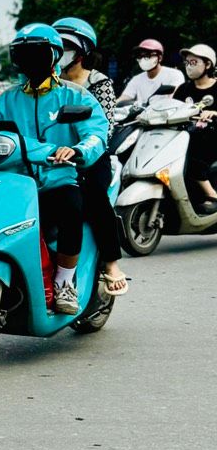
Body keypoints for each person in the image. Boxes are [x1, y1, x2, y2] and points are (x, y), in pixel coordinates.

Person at [0, 24, 109, 314]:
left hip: (58, 177)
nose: (30, 60)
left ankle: (64, 282)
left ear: (54, 56)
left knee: (71, 207)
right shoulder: (7, 99)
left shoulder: (74, 96)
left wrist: (77, 150)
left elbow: (96, 133)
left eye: (37, 53)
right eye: (23, 54)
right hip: (15, 182)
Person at [54, 17, 129, 295]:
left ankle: (111, 263)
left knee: (95, 197)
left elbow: (106, 128)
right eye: (56, 46)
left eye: (66, 46)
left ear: (82, 51)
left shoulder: (99, 83)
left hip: (90, 157)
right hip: (49, 156)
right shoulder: (46, 83)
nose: (59, 52)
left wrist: (82, 149)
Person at [172, 43, 217, 212]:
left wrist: (214, 113)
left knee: (192, 154)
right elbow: (172, 107)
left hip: (211, 136)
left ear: (208, 65)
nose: (189, 67)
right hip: (186, 134)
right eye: (187, 63)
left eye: (194, 62)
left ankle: (212, 195)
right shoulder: (184, 89)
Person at [119, 39, 184, 106]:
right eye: (140, 56)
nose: (143, 59)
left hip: (166, 114)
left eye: (147, 55)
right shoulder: (136, 79)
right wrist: (112, 105)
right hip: (142, 114)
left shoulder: (174, 74)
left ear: (160, 58)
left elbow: (175, 95)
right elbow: (124, 97)